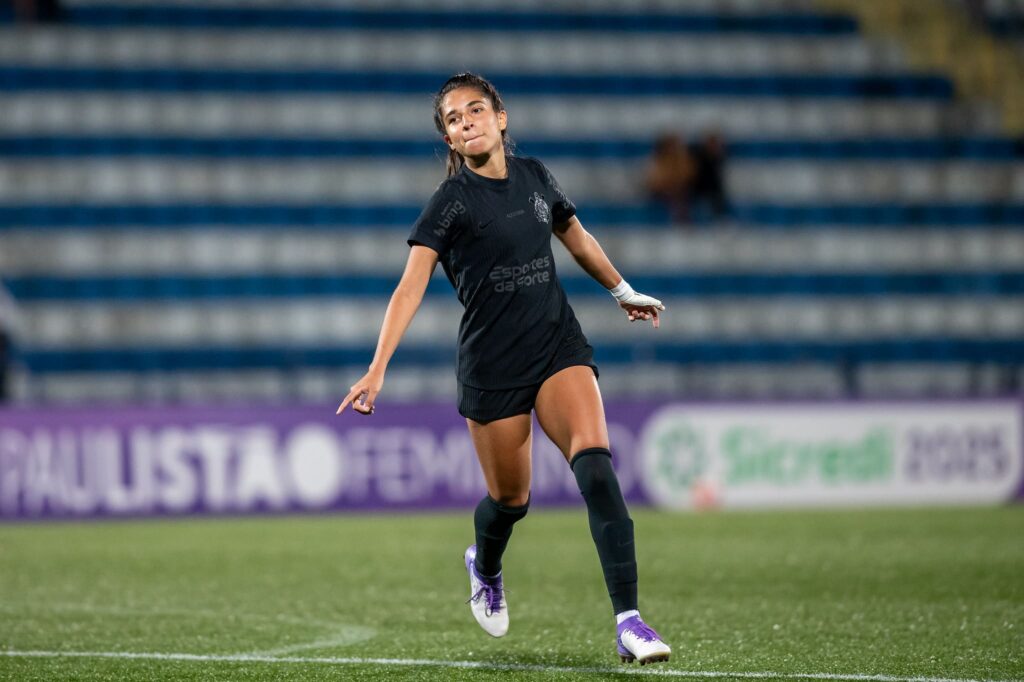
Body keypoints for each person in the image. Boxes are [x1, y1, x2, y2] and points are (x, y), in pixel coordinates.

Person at [336, 73, 671, 665]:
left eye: (475, 110)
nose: (466, 122)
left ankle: (629, 622)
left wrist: (623, 291)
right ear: (448, 138)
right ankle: (484, 564)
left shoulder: (536, 176)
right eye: (453, 119)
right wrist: (377, 367)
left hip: (557, 345)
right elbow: (409, 287)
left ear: (500, 117)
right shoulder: (450, 203)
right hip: (493, 364)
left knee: (597, 469)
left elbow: (576, 236)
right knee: (512, 500)